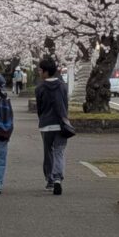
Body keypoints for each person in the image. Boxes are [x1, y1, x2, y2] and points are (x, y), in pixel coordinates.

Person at [36, 57, 69, 196]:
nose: (38, 72)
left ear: (45, 72)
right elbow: (65, 104)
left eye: (40, 70)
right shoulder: (62, 86)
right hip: (61, 124)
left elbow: (40, 108)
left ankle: (49, 180)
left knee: (48, 152)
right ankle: (57, 179)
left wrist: (43, 118)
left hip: (46, 124)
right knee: (59, 152)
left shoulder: (40, 88)